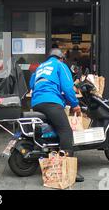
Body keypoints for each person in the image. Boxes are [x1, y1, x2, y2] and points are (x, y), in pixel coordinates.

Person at [29, 48, 84, 182]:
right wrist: (75, 104)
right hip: (50, 102)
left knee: (54, 127)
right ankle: (68, 170)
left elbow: (32, 84)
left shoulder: (40, 67)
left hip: (36, 102)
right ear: (61, 58)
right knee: (66, 131)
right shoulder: (60, 65)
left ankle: (51, 152)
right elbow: (67, 87)